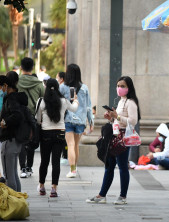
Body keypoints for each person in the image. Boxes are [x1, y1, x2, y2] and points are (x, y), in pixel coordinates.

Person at [86, 76, 140, 205]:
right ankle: (102, 195)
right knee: (109, 166)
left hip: (122, 138)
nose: (119, 88)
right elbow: (118, 120)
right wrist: (111, 118)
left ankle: (123, 196)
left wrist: (118, 116)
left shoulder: (131, 102)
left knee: (122, 167)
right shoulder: (121, 101)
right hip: (114, 136)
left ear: (129, 88)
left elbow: (133, 121)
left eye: (122, 86)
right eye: (118, 86)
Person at [36, 79, 79, 197]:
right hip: (60, 134)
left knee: (44, 162)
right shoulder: (64, 101)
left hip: (45, 135)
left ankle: (42, 186)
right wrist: (75, 100)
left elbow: (38, 120)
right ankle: (54, 188)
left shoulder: (41, 101)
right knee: (56, 163)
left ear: (46, 88)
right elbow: (74, 109)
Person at [59, 64, 94, 178]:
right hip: (81, 121)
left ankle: (72, 170)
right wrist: (91, 122)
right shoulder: (84, 88)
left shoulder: (63, 87)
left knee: (70, 144)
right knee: (76, 145)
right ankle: (75, 168)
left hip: (68, 119)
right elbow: (89, 107)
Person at [0, 75, 29, 192]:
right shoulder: (17, 98)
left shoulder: (11, 99)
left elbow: (17, 115)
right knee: (14, 175)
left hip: (9, 140)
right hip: (15, 140)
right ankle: (19, 201)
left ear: (6, 86)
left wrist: (5, 122)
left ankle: (14, 204)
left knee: (9, 176)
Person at [17, 57, 45, 178]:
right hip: (33, 116)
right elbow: (44, 101)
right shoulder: (39, 84)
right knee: (32, 141)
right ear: (32, 68)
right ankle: (29, 166)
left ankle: (22, 167)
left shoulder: (16, 82)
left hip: (19, 116)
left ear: (21, 67)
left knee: (21, 142)